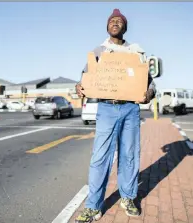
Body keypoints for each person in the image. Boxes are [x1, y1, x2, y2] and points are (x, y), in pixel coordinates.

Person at [75, 9, 156, 222]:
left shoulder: (135, 52)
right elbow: (85, 77)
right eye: (112, 20)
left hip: (130, 109)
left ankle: (128, 197)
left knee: (129, 156)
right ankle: (93, 206)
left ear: (125, 27)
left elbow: (150, 82)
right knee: (100, 158)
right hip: (107, 109)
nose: (115, 22)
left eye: (119, 21)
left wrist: (149, 93)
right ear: (107, 26)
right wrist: (79, 86)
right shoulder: (99, 51)